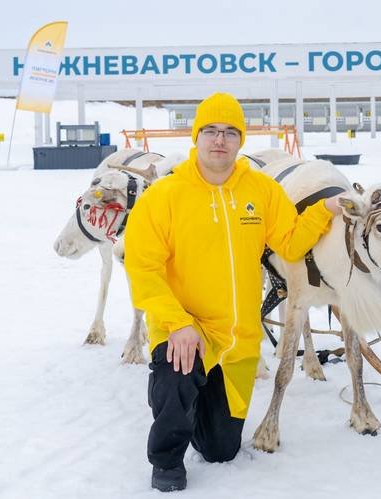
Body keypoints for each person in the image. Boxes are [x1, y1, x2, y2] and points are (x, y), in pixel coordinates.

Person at [124, 92, 344, 491]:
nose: (219, 140)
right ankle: (167, 459)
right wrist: (176, 323)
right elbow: (143, 268)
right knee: (177, 372)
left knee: (221, 450)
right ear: (196, 136)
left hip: (238, 340)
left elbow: (290, 243)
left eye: (229, 132)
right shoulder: (164, 196)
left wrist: (324, 210)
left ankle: (196, 403)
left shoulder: (261, 190)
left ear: (240, 139)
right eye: (210, 130)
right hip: (186, 329)